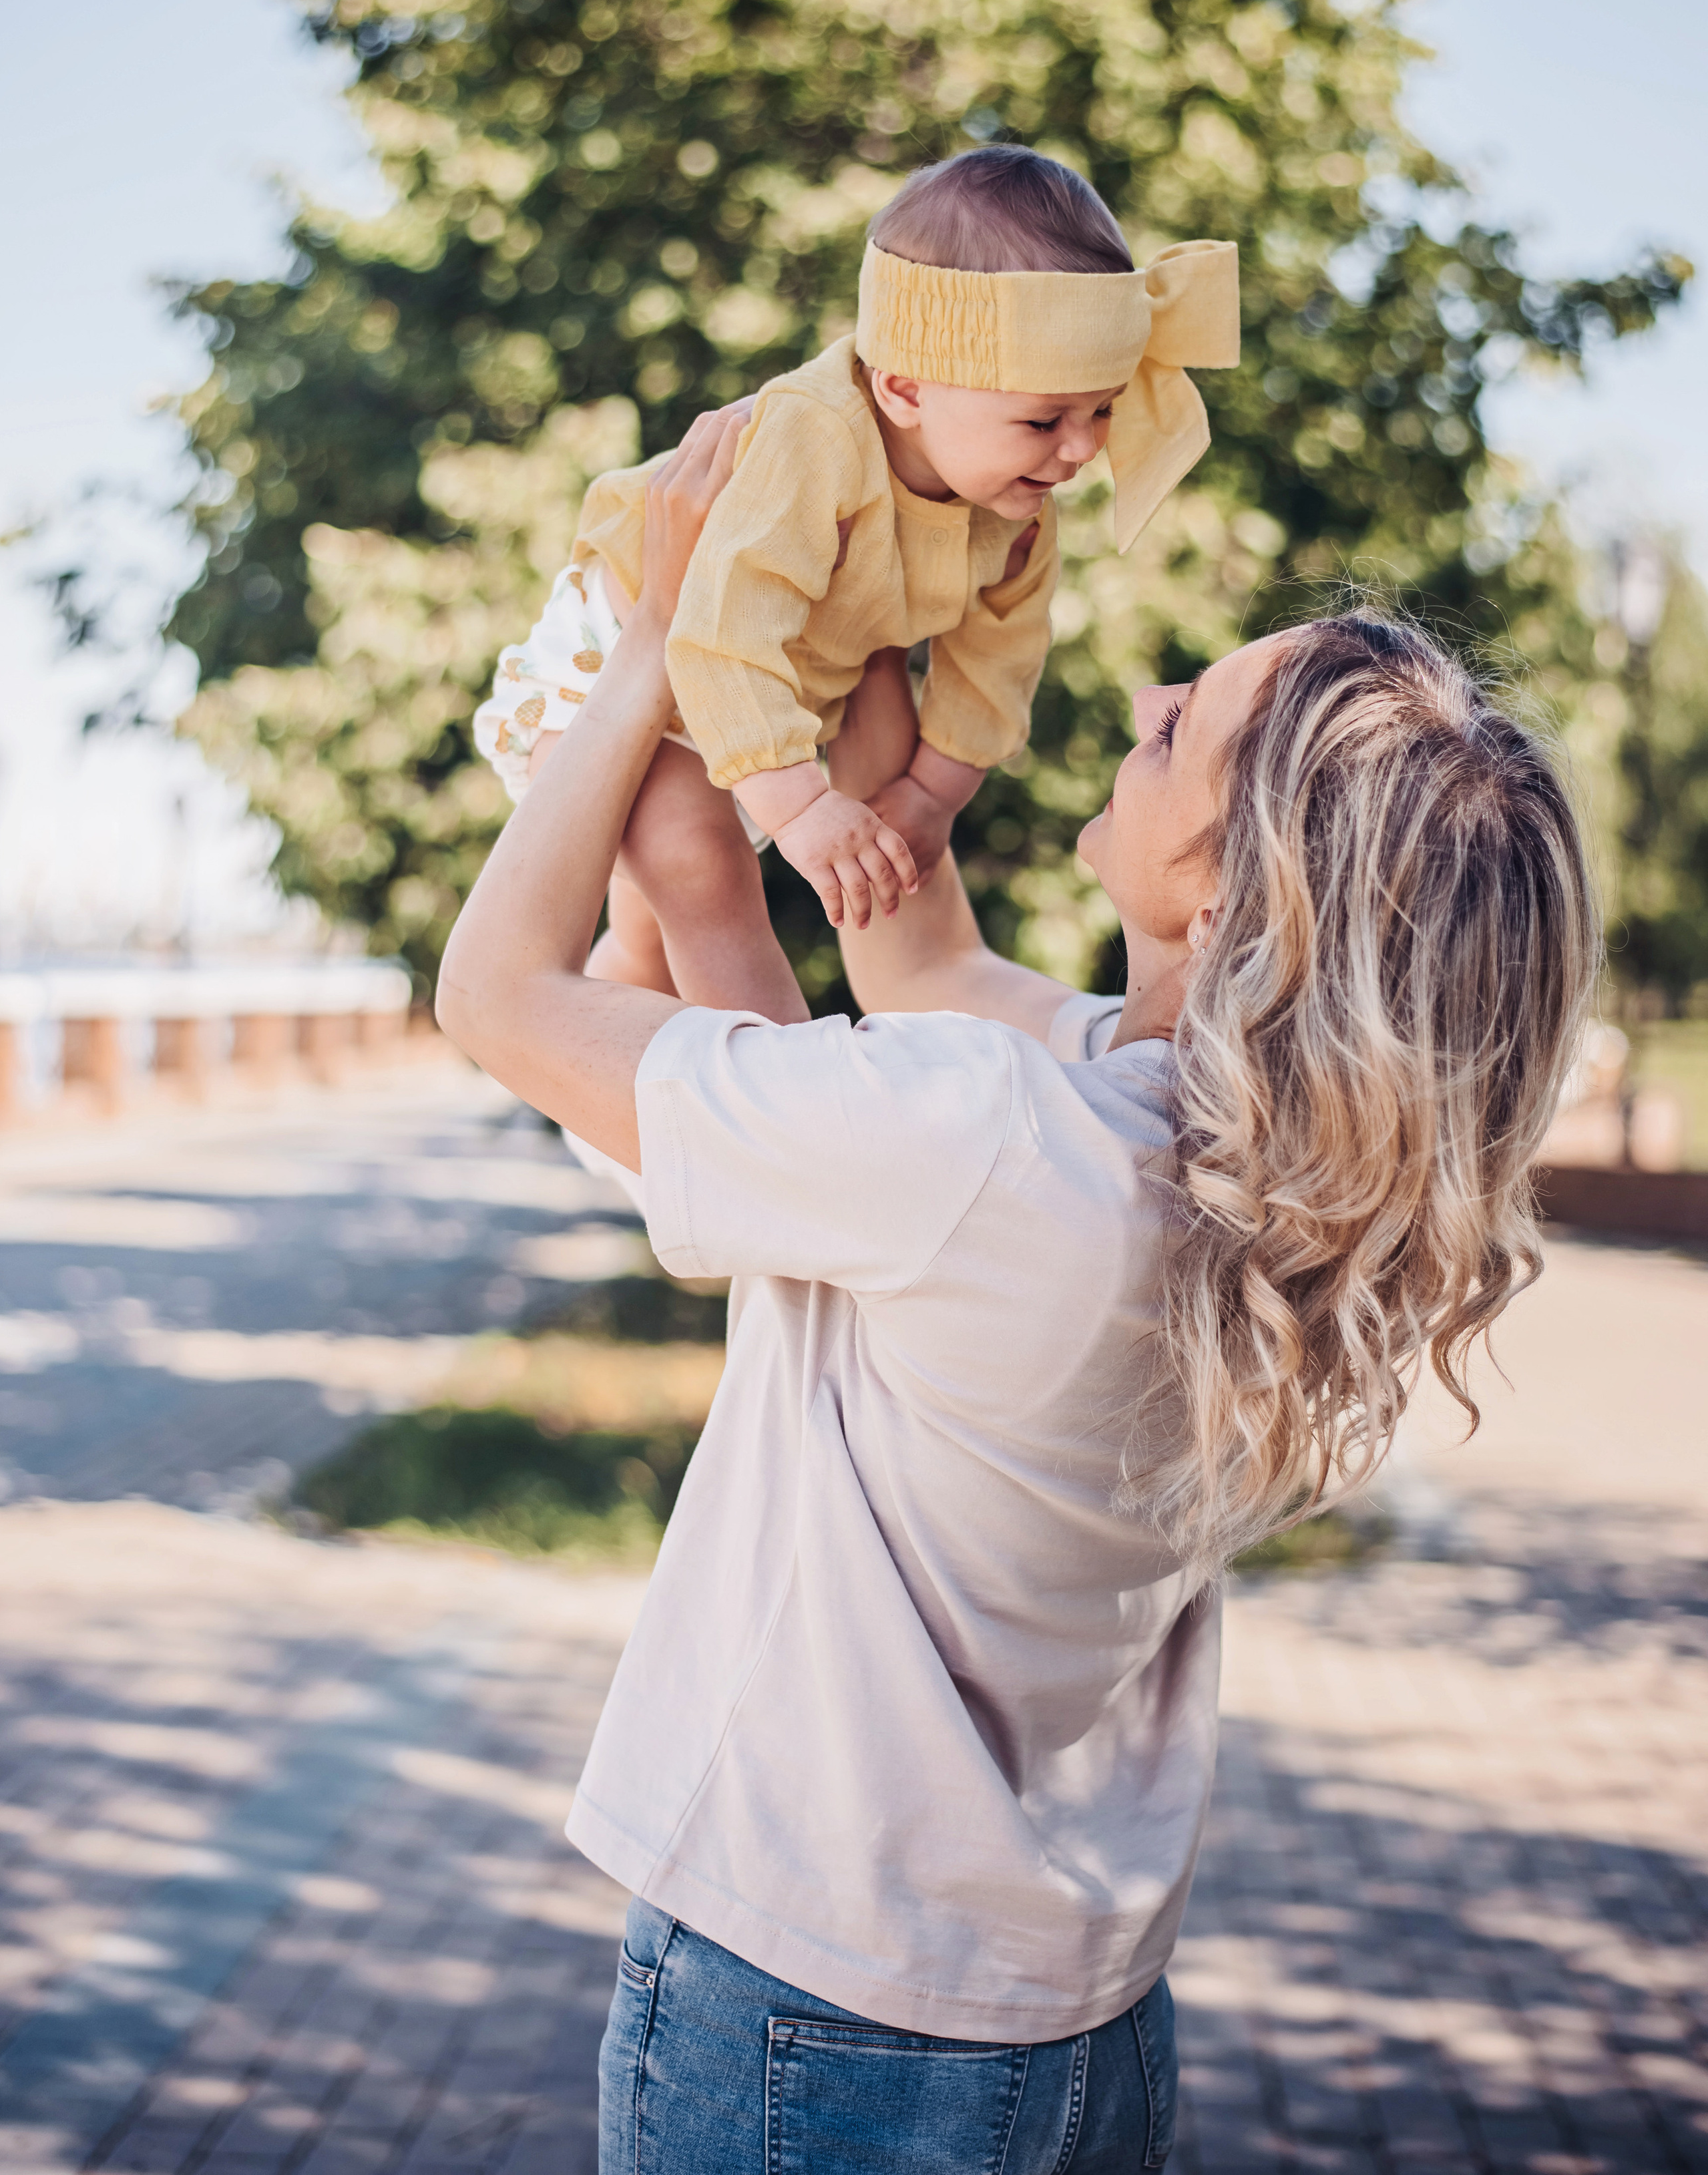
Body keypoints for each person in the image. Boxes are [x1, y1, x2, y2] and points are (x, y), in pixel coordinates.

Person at [435, 412, 1598, 2172]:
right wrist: (879, 598)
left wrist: (663, 649)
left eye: (1176, 728)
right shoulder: (1251, 1179)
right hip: (1072, 2019)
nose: (1133, 711)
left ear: (1225, 890)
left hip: (815, 2013)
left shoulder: (989, 1141)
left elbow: (497, 996)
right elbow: (925, 962)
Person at [474, 144, 1238, 1021]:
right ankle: (794, 1098)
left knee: (652, 936)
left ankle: (627, 1044)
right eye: (1042, 419)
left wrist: (927, 795)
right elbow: (722, 626)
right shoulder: (817, 440)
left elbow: (998, 662)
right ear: (906, 388)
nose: (1078, 448)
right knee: (702, 868)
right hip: (633, 659)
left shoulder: (1015, 509)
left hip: (772, 701)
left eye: (1101, 409)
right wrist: (802, 812)